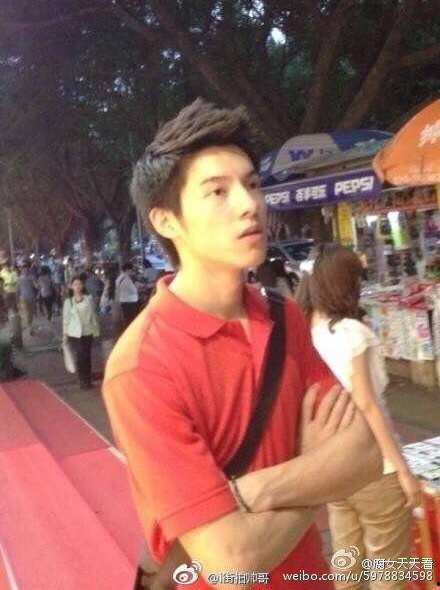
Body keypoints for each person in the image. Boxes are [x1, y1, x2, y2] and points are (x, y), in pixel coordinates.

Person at [102, 99, 382, 589]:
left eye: (252, 184)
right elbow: (233, 564)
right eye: (217, 191)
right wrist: (315, 471)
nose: (249, 204)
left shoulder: (283, 315)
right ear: (166, 221)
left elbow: (364, 456)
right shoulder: (142, 367)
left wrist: (253, 490)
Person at [296, 243, 420, 590]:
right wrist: (403, 470)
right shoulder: (352, 333)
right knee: (389, 570)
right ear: (346, 283)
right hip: (375, 466)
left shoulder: (307, 334)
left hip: (335, 467)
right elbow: (368, 404)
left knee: (347, 563)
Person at [63, 276, 100, 390]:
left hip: (88, 331)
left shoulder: (88, 299)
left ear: (82, 286)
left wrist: (96, 330)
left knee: (87, 356)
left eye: (79, 284)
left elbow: (93, 315)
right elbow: (66, 319)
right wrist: (65, 335)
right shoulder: (68, 302)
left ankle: (88, 380)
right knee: (80, 356)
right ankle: (82, 380)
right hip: (75, 334)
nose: (77, 287)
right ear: (71, 287)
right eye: (75, 284)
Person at [114, 262, 139, 335]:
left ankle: (127, 333)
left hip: (123, 301)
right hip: (130, 302)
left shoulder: (119, 278)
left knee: (126, 318)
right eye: (132, 270)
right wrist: (137, 286)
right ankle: (131, 333)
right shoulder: (126, 279)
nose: (132, 272)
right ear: (128, 269)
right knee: (131, 319)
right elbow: (134, 290)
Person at [17, 264, 37, 335]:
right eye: (24, 269)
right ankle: (30, 328)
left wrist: (36, 283)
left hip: (31, 298)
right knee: (27, 314)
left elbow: (36, 286)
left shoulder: (31, 278)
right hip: (23, 299)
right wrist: (18, 301)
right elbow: (18, 290)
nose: (25, 271)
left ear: (28, 270)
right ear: (21, 270)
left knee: (31, 314)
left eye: (26, 269)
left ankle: (30, 325)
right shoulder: (19, 279)